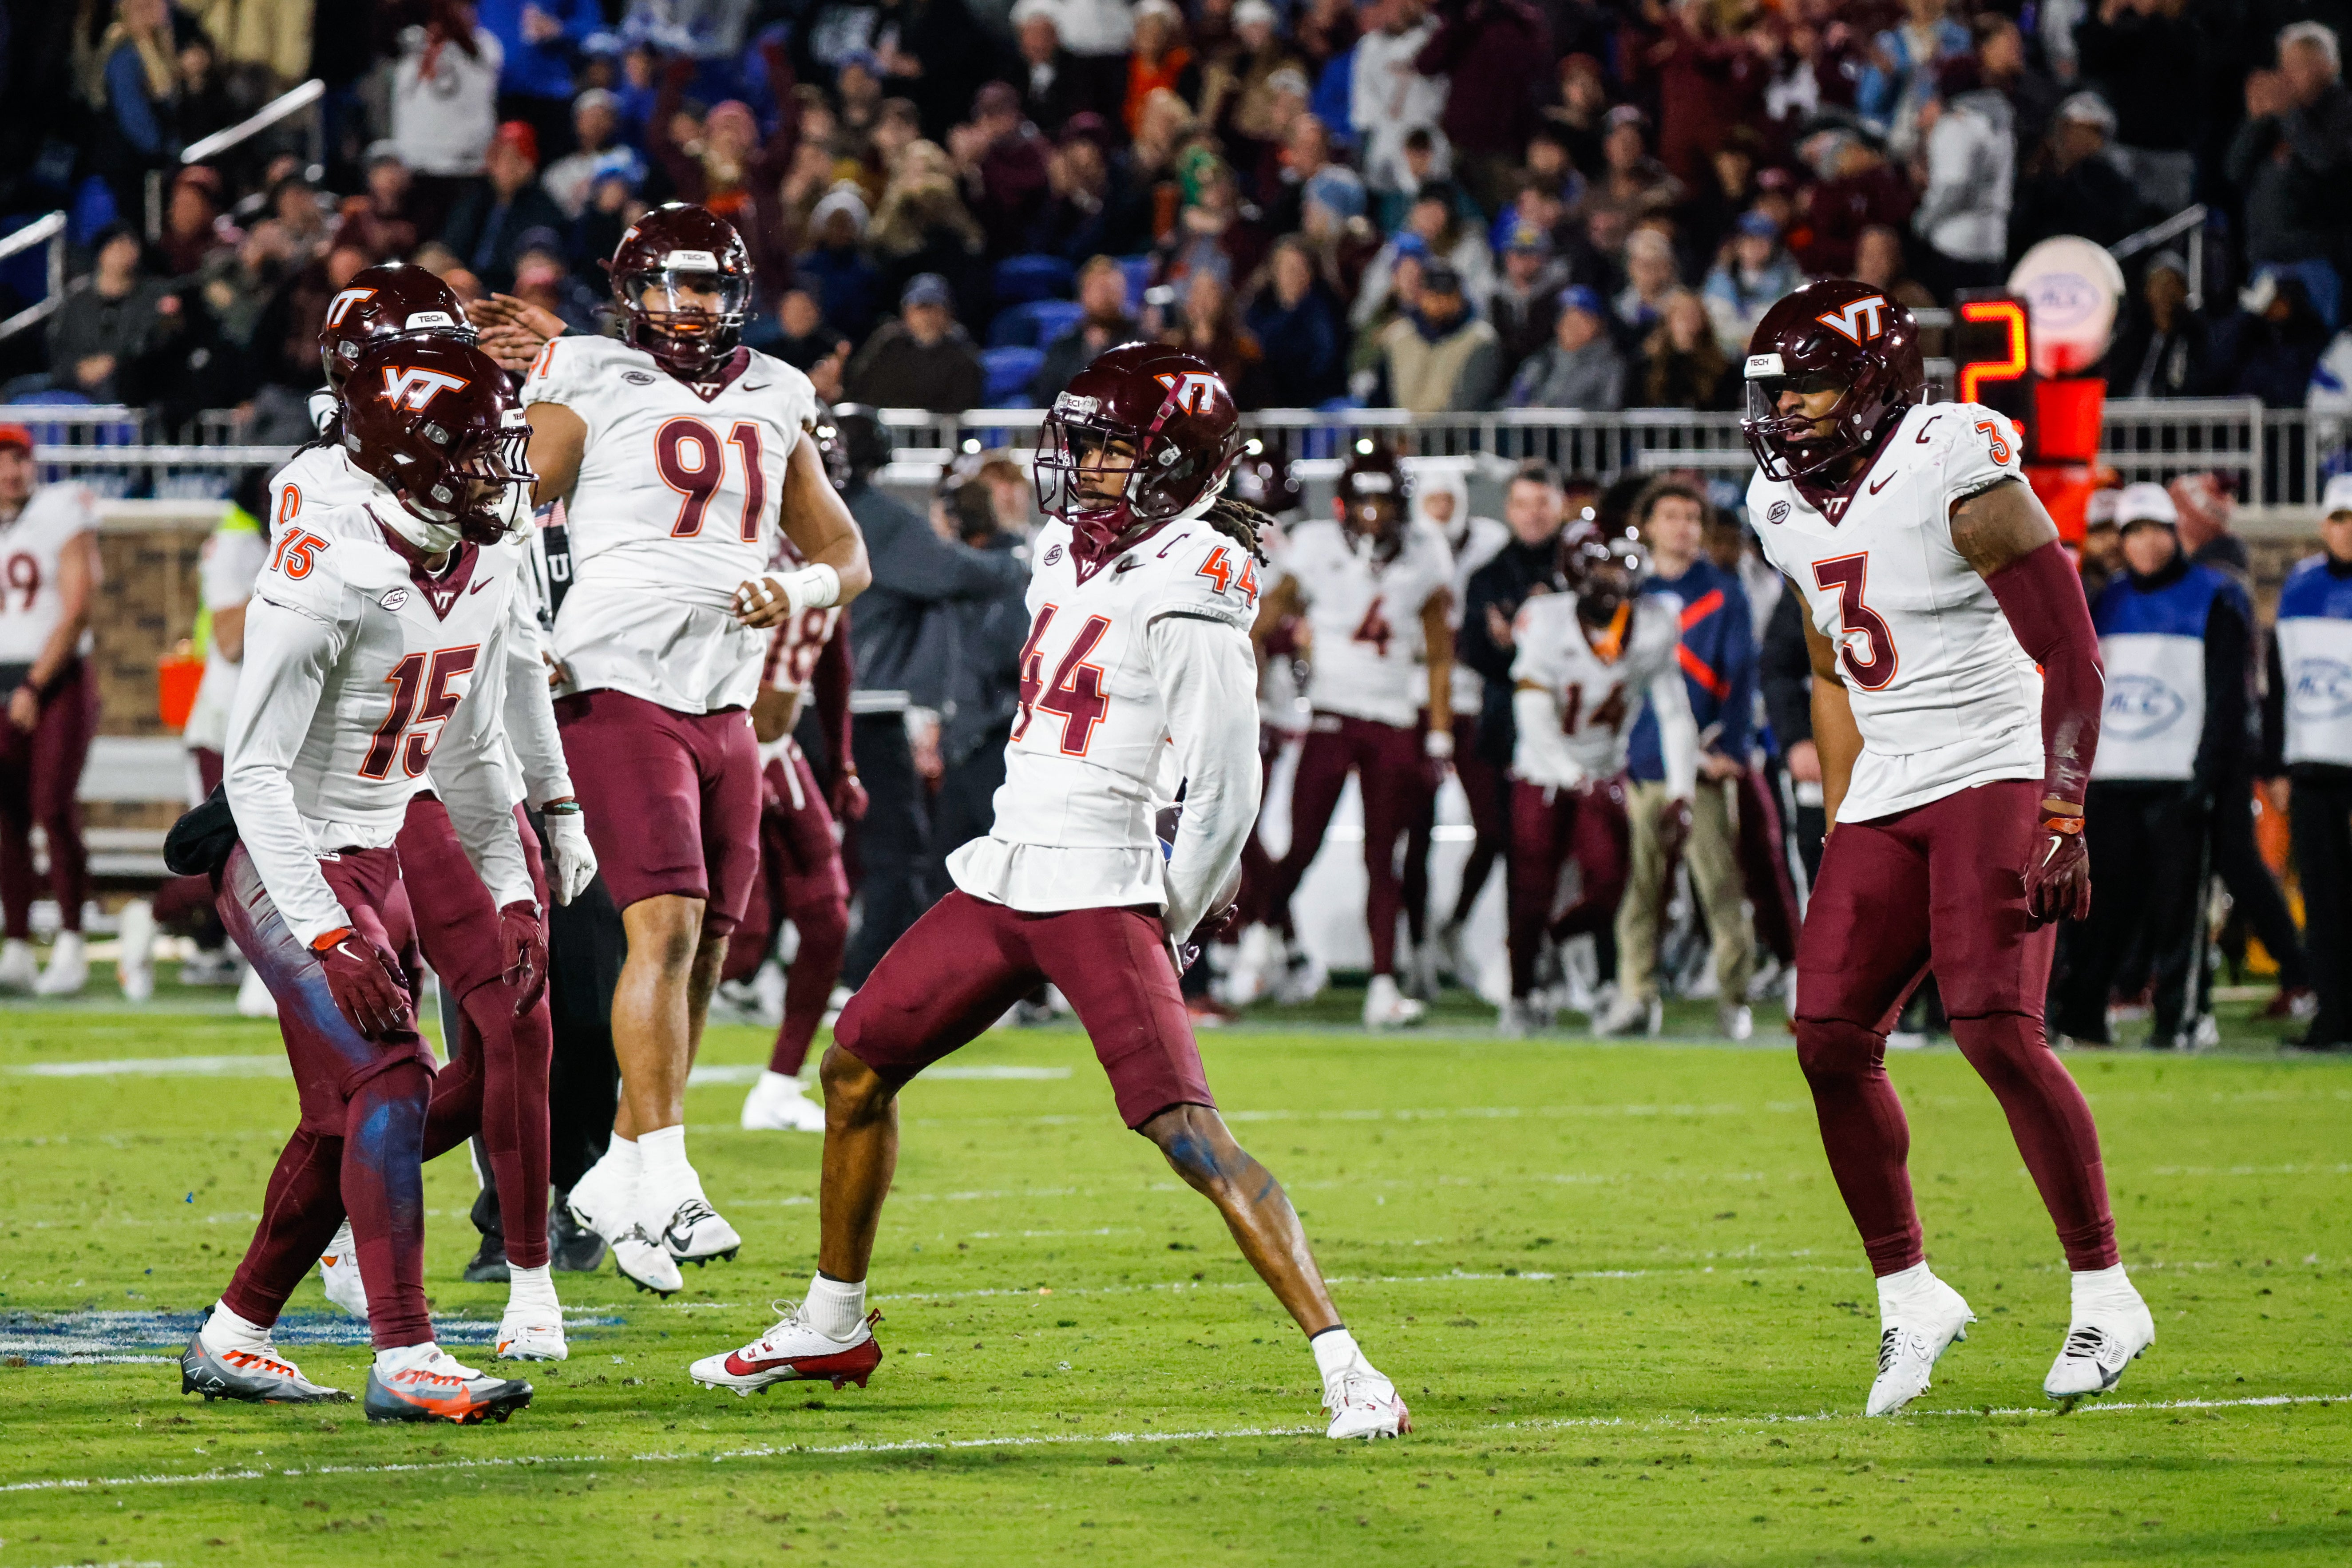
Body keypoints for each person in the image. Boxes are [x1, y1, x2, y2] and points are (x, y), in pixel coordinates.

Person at [685, 343, 1410, 1442]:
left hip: (1100, 882)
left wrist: (1174, 911)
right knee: (853, 1067)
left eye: (1114, 451)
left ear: (1180, 465)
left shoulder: (1196, 576)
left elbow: (1225, 781)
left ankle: (1348, 1365)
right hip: (1001, 869)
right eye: (1085, 445)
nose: (1085, 470)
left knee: (1187, 1132)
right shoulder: (1065, 552)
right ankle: (833, 1320)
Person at [1740, 279, 2150, 1415]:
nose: (1787, 412)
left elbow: (2069, 650)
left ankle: (2102, 1289)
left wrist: (2062, 811)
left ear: (1873, 382)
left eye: (1809, 385)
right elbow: (1830, 668)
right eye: (1775, 391)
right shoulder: (1775, 508)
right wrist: (1839, 816)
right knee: (1825, 1033)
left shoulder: (1949, 460)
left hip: (1994, 759)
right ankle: (1909, 1294)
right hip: (1888, 778)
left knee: (1991, 1027)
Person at [177, 337, 543, 1423]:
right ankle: (408, 1352)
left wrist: (513, 890)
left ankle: (235, 1333)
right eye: (477, 454)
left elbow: (474, 756)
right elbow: (252, 771)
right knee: (391, 1070)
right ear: (410, 458)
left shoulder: (483, 564)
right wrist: (332, 938)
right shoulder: (330, 566)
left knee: (376, 1104)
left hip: (376, 841)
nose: (500, 474)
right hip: (277, 849)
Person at [518, 204, 871, 1296]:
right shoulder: (589, 371)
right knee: (663, 925)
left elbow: (844, 553)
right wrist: (527, 628)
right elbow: (504, 508)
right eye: (674, 285)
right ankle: (668, 1170)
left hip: (726, 693)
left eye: (712, 287)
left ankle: (618, 1171)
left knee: (713, 943)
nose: (695, 306)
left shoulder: (776, 390)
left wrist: (794, 583)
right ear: (631, 292)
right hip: (615, 674)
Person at [1239, 441, 1454, 1028]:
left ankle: (1382, 983)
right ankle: (1261, 933)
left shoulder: (1424, 557)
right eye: (1364, 502)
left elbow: (1440, 654)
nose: (1373, 514)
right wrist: (1252, 698)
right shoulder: (1313, 550)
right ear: (1342, 504)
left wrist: (1438, 735)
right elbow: (1260, 624)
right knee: (1303, 844)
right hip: (1332, 714)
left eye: (1384, 502)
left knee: (1382, 856)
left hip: (1390, 718)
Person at [828, 406, 1029, 987]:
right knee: (900, 852)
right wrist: (1014, 558)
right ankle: (858, 979)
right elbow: (951, 574)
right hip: (865, 707)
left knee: (811, 851)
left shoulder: (796, 510)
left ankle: (772, 970)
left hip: (804, 701)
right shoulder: (878, 518)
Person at [2047, 483, 2251, 1051]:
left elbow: (2226, 698)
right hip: (2112, 780)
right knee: (2100, 910)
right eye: (2132, 532)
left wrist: (2207, 777)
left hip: (2178, 779)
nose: (2143, 543)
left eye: (2154, 529)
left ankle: (2180, 1019)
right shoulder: (2103, 600)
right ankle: (2083, 1015)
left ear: (2174, 532)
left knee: (2178, 910)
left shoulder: (2215, 597)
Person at [1500, 519, 1695, 1035]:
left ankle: (1563, 951)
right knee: (1532, 890)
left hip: (1605, 768)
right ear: (1576, 569)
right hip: (1542, 772)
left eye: (1623, 565)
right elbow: (1532, 710)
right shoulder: (1545, 619)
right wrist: (1569, 774)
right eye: (1602, 564)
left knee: (1611, 882)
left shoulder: (1654, 624)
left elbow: (1674, 711)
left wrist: (1682, 788)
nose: (1613, 579)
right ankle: (1521, 993)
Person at [734, 416, 864, 1135]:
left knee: (827, 918)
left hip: (781, 754)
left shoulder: (829, 554)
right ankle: (614, 1060)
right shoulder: (732, 537)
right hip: (722, 748)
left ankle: (779, 1084)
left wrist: (840, 756)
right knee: (741, 941)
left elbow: (834, 653)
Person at [1601, 479, 1758, 1040]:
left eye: (1693, 518)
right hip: (1642, 759)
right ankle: (1636, 994)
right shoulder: (1626, 594)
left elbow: (1741, 679)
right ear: (1648, 525)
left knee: (1720, 889)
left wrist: (1732, 750)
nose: (1682, 527)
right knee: (1640, 889)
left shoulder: (1724, 593)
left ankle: (1734, 996)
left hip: (1705, 766)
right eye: (1671, 516)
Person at [0, 428, 101, 998]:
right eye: (2, 461)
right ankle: (15, 943)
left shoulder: (62, 511)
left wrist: (34, 685)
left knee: (51, 808)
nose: (12, 471)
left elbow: (76, 606)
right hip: (3, 676)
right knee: (7, 817)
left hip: (54, 678)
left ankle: (70, 938)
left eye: (19, 458)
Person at [1408, 464, 1509, 994]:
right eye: (1434, 501)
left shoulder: (1489, 546)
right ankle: (1419, 947)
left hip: (1472, 701)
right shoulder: (1403, 552)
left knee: (1494, 828)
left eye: (1450, 500)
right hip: (1415, 703)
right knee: (1414, 833)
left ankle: (1452, 926)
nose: (1443, 510)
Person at [2266, 473, 2352, 1051]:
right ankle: (2331, 1016)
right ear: (2324, 525)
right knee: (2321, 901)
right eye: (2340, 519)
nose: (2347, 531)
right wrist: (2275, 763)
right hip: (2313, 766)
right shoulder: (2297, 589)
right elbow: (2278, 686)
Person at [843, 273, 986, 411]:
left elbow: (966, 398)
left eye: (934, 310)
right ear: (906, 313)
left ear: (948, 314)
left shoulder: (961, 350)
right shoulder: (890, 343)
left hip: (939, 434)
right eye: (920, 310)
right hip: (884, 431)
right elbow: (861, 386)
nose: (927, 318)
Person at [1377, 261, 1503, 413]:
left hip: (1456, 435)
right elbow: (1381, 395)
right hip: (1404, 433)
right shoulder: (1399, 336)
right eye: (1434, 295)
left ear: (1459, 297)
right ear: (1421, 296)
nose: (1441, 303)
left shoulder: (1480, 339)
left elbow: (1470, 402)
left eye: (1448, 295)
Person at [1033, 254, 1140, 404]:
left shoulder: (1141, 341)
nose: (1107, 296)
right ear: (1083, 294)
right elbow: (1045, 400)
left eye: (1114, 288)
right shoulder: (1064, 346)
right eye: (1101, 289)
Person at [1508, 285, 1625, 410]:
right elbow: (1511, 402)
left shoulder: (1610, 365)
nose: (1572, 326)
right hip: (1534, 429)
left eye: (1581, 320)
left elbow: (1609, 408)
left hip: (1581, 430)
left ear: (1598, 325)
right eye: (1567, 318)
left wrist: (1554, 413)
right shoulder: (1541, 361)